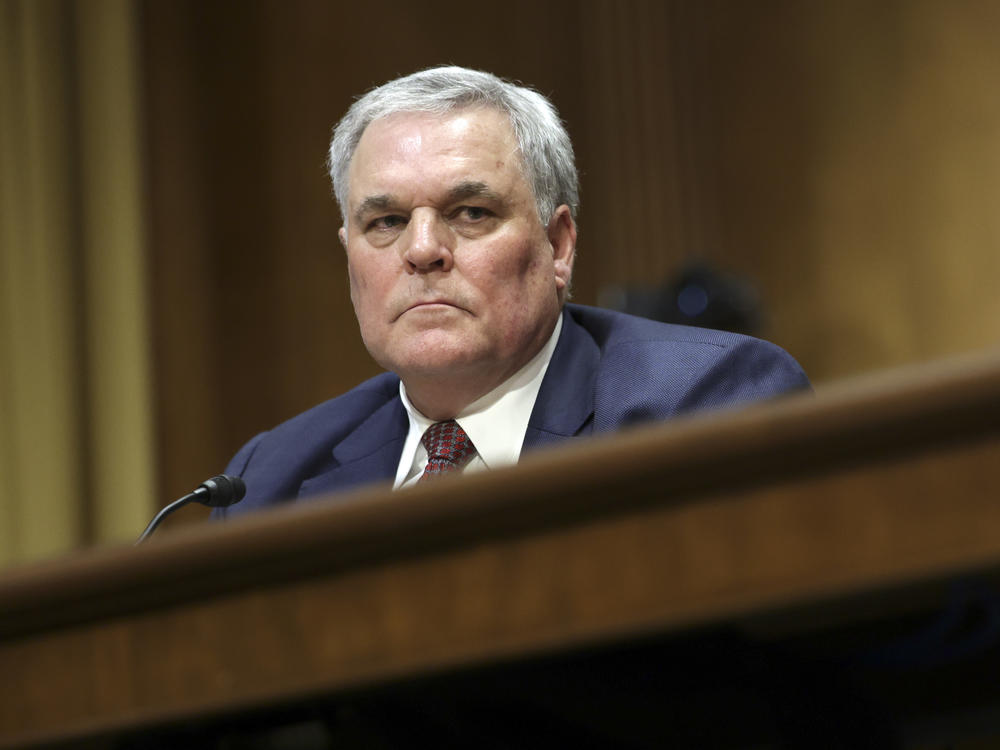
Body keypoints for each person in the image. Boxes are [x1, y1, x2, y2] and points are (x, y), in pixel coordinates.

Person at [215, 66, 809, 519]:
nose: (422, 250)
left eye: (471, 212)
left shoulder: (702, 407)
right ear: (349, 254)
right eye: (386, 222)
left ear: (559, 245)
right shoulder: (268, 481)